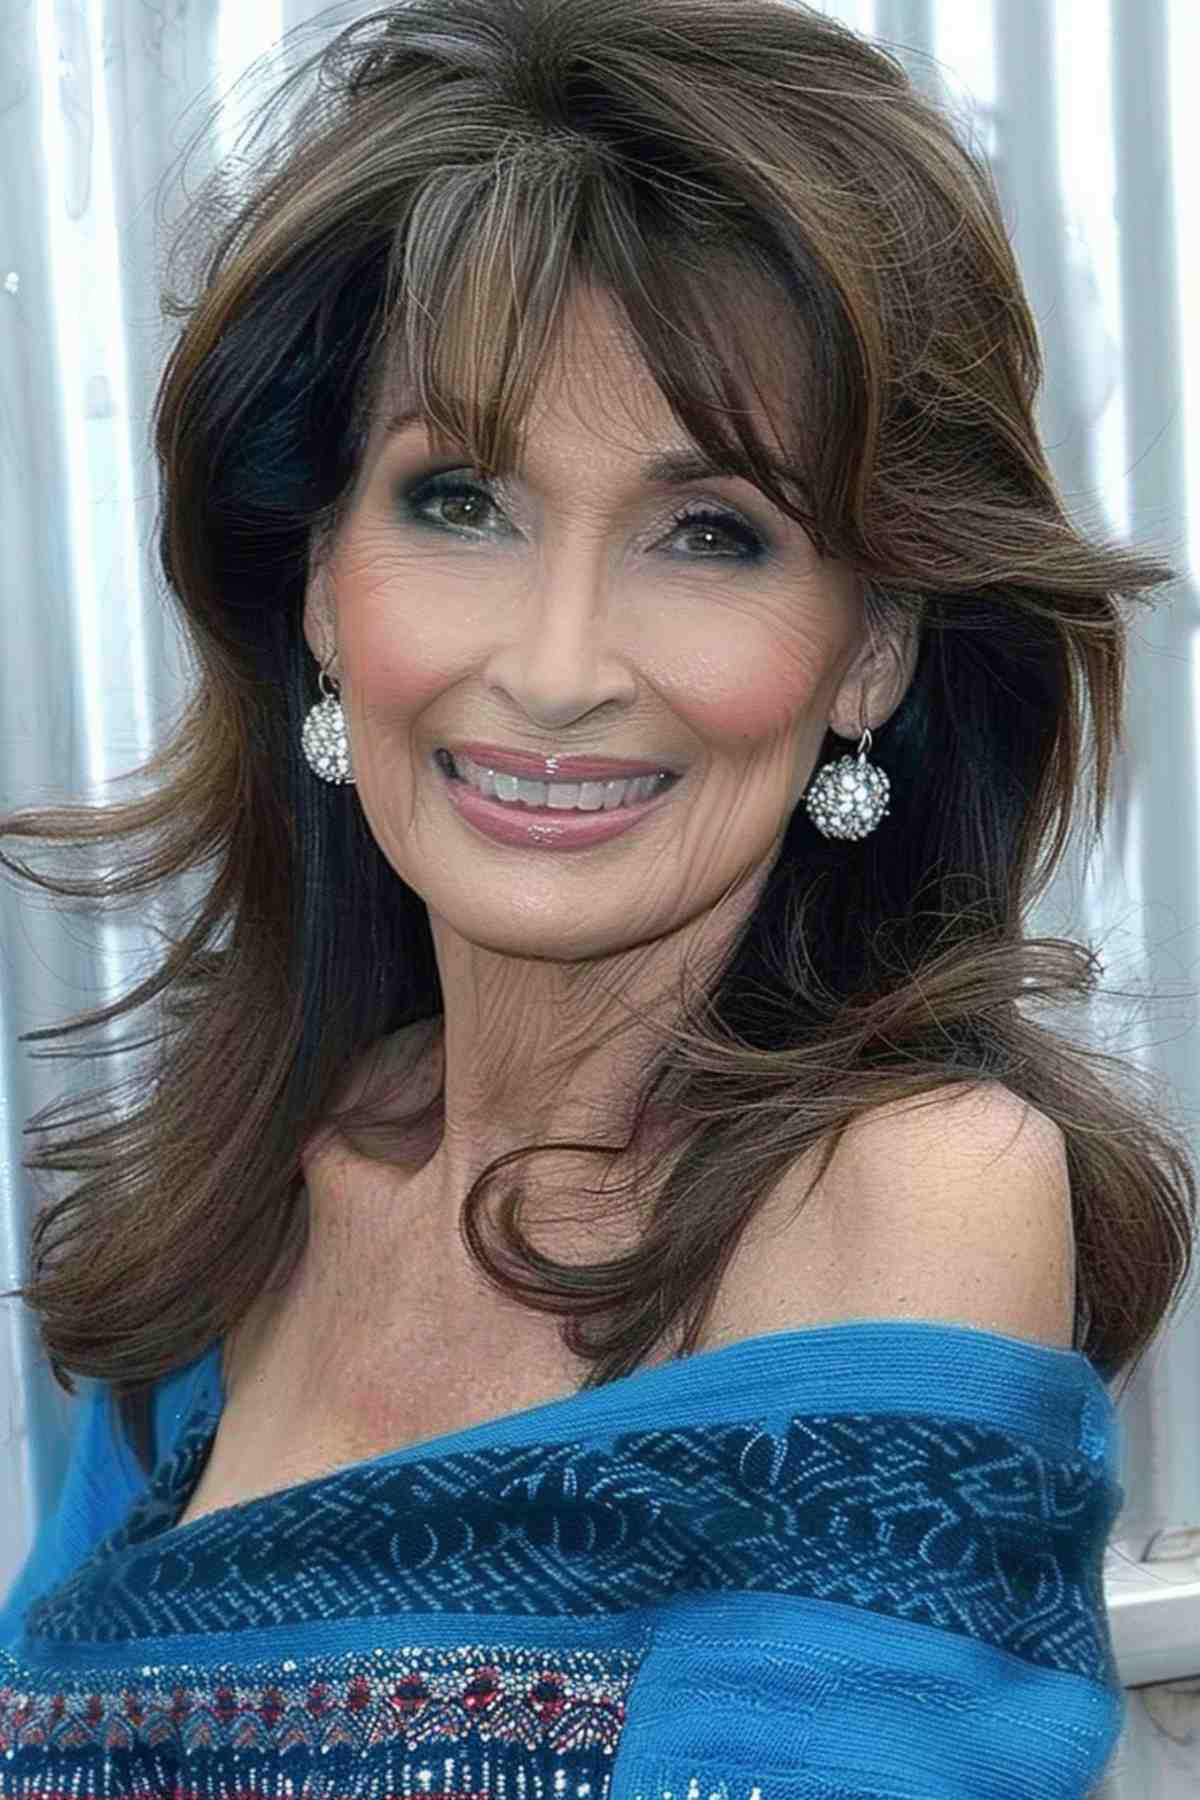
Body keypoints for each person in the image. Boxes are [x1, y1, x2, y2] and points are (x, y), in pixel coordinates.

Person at [0, 0, 1194, 1794]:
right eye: (460, 499)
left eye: (711, 531)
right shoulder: (226, 1219)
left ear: (870, 649)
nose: (557, 669)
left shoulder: (906, 1194)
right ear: (321, 587)